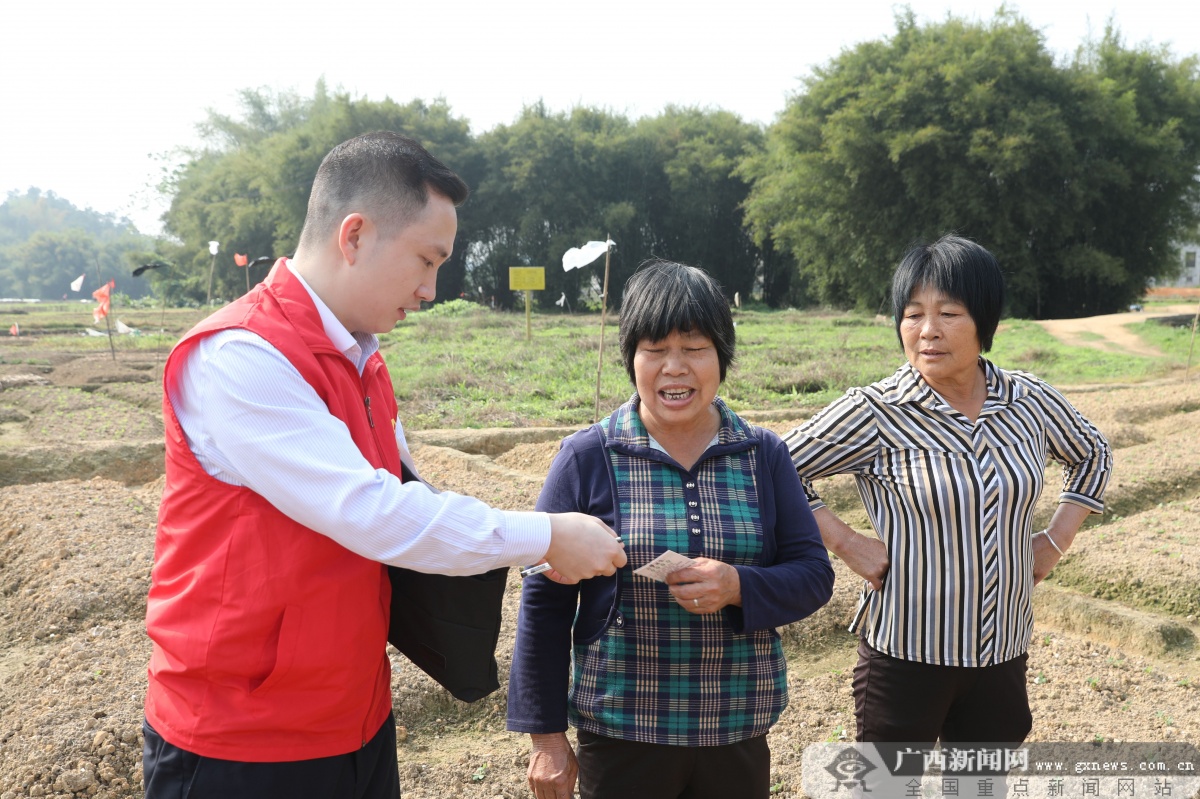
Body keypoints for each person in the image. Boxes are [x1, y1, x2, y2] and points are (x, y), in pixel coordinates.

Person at [142, 131, 627, 799]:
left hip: (355, 718)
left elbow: (402, 489)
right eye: (426, 261)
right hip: (243, 738)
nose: (431, 290)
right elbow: (372, 512)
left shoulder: (362, 356)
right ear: (355, 236)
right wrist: (546, 535)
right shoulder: (241, 358)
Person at [507, 260, 835, 799]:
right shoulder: (588, 457)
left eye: (695, 348)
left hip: (735, 725)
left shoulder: (763, 454)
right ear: (631, 358)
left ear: (721, 357)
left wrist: (737, 585)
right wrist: (546, 739)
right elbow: (543, 600)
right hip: (621, 732)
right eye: (655, 350)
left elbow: (812, 576)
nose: (674, 368)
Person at [783, 234, 1112, 745]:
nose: (927, 331)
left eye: (949, 314)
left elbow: (1093, 453)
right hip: (906, 656)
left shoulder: (1029, 400)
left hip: (1001, 654)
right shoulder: (876, 410)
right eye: (913, 314)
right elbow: (775, 469)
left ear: (985, 321)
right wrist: (848, 543)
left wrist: (1053, 541)